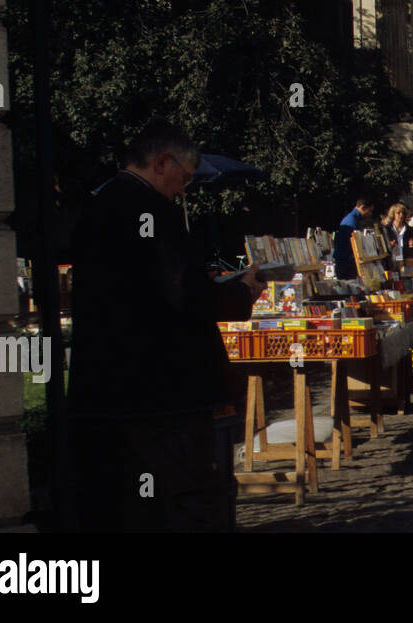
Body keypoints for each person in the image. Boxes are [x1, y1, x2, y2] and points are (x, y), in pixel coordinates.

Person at [69, 119, 266, 531]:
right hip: (161, 392)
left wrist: (199, 282)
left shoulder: (101, 202)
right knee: (180, 499)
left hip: (109, 388)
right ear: (161, 162)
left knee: (129, 503)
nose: (183, 189)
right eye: (184, 178)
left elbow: (146, 286)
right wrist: (243, 292)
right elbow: (182, 296)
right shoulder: (147, 208)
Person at [333, 193, 376, 280]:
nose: (370, 214)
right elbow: (351, 245)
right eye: (369, 211)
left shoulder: (353, 219)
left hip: (345, 262)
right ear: (363, 207)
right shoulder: (351, 221)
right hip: (346, 264)